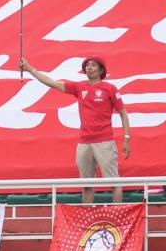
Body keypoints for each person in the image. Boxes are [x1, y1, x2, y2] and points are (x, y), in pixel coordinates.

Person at [19, 55, 131, 203]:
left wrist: (126, 139)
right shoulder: (79, 87)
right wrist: (29, 68)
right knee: (86, 184)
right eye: (87, 65)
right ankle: (87, 219)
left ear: (101, 69)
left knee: (114, 182)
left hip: (104, 141)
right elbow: (51, 83)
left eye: (93, 65)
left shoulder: (109, 89)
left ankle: (118, 216)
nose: (89, 67)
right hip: (84, 142)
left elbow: (123, 113)